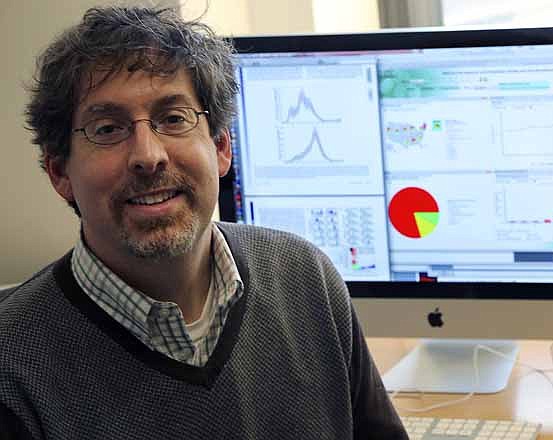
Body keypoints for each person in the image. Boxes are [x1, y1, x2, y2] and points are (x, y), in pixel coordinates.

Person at [0, 6, 407, 440]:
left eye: (173, 119)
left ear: (221, 147)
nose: (148, 156)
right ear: (60, 172)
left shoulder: (306, 276)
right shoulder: (12, 366)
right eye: (107, 129)